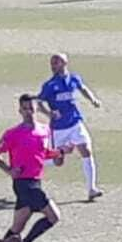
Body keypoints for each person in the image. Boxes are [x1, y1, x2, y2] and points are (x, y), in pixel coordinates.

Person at [0, 94, 66, 242]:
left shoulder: (44, 130)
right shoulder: (12, 134)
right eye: (25, 109)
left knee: (17, 227)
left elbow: (43, 153)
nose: (28, 112)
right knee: (54, 216)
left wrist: (59, 153)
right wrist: (9, 170)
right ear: (20, 111)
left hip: (36, 180)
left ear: (36, 108)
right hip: (24, 184)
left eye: (31, 108)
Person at [37, 54, 103, 202]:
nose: (53, 66)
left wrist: (93, 99)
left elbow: (82, 88)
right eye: (52, 63)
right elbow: (39, 104)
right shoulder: (49, 85)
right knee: (58, 161)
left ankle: (91, 189)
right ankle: (34, 161)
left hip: (75, 123)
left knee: (86, 150)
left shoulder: (73, 78)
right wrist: (49, 113)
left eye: (56, 63)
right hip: (59, 129)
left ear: (64, 63)